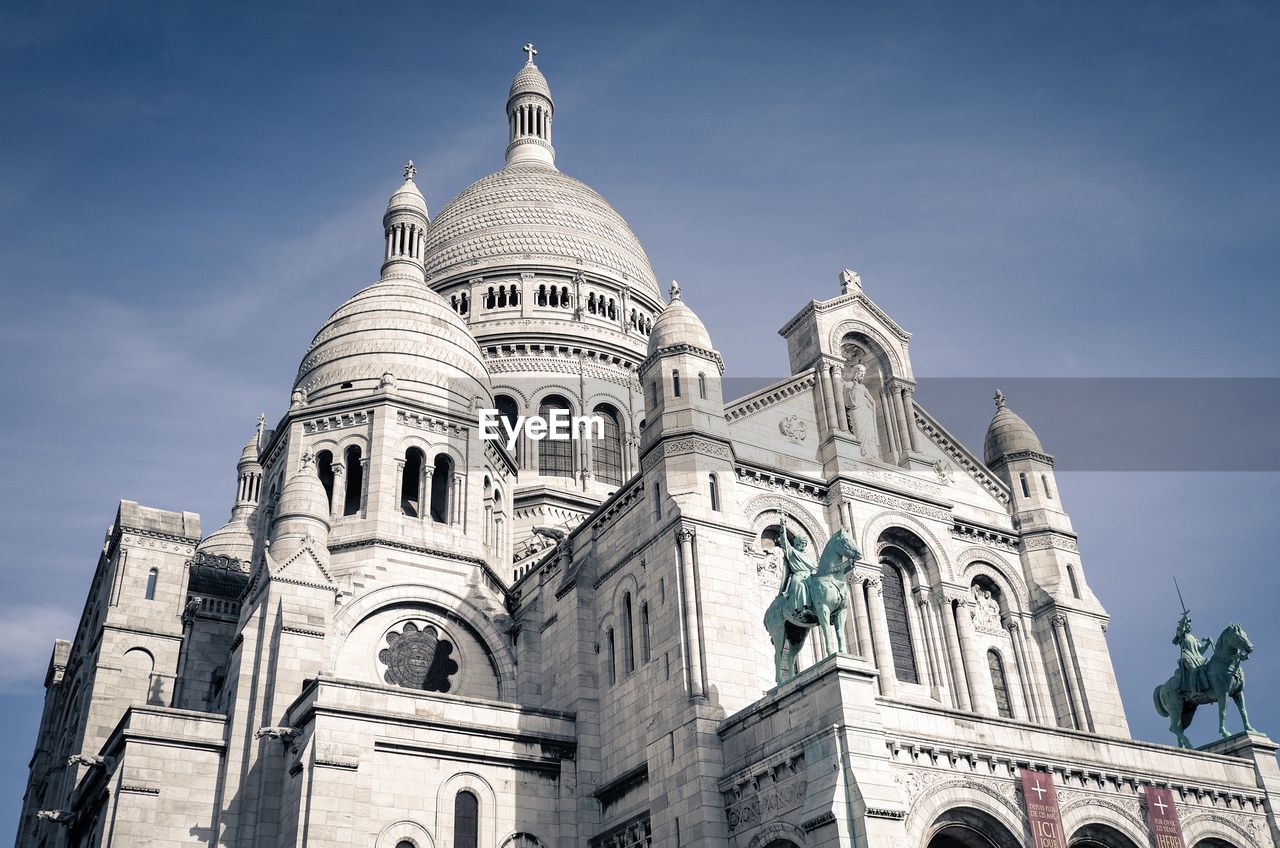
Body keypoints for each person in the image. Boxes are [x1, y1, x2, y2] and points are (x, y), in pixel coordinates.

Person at [778, 513, 818, 625]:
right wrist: (782, 528)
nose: (802, 545)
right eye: (801, 542)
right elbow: (784, 542)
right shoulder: (791, 552)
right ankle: (802, 610)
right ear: (795, 542)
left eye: (804, 543)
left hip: (809, 576)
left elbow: (814, 568)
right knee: (800, 585)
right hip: (798, 576)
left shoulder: (807, 557)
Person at [843, 364, 881, 458]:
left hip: (865, 412)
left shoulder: (863, 387)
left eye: (863, 374)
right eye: (860, 373)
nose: (862, 376)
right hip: (855, 412)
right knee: (859, 432)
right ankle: (862, 451)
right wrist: (854, 388)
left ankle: (870, 452)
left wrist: (871, 408)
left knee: (868, 433)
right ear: (855, 373)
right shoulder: (848, 385)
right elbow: (847, 402)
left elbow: (873, 401)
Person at [1174, 610, 1211, 696]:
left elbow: (1200, 650)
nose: (1189, 627)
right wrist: (1183, 619)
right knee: (1194, 670)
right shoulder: (1183, 635)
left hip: (1197, 657)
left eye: (1189, 625)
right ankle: (1194, 691)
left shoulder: (1193, 637)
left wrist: (1207, 644)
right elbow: (1180, 628)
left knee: (1208, 663)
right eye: (1187, 625)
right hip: (1187, 657)